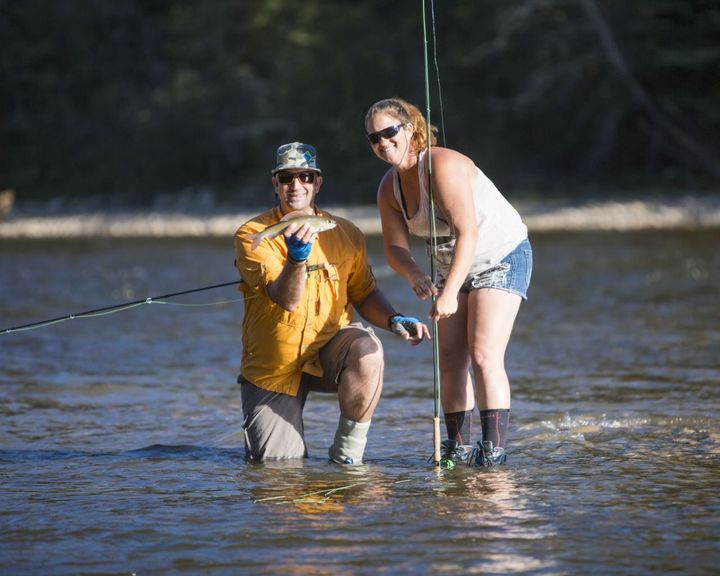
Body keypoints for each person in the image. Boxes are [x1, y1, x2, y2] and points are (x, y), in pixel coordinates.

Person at [234, 141, 430, 464]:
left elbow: (364, 293)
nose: (296, 185)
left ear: (318, 182)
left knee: (369, 350)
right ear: (275, 184)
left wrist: (394, 320)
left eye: (305, 177)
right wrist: (297, 259)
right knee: (278, 473)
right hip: (273, 367)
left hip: (329, 350)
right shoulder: (252, 234)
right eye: (286, 178)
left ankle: (347, 459)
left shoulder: (347, 233)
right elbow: (287, 301)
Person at [364, 98, 533, 467]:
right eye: (374, 138)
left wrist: (451, 292)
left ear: (411, 129)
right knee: (451, 359)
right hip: (450, 267)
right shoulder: (388, 189)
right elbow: (394, 248)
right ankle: (456, 449)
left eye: (389, 132)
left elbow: (467, 231)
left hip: (500, 257)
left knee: (483, 353)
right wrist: (416, 277)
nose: (382, 143)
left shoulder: (442, 166)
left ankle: (493, 451)